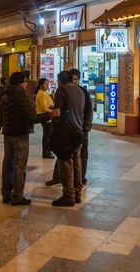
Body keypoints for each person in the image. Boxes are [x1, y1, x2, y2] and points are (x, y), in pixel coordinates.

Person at [0, 72, 59, 206]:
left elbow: (1, 116)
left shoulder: (5, 96)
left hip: (8, 134)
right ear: (20, 83)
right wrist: (50, 115)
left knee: (7, 164)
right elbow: (33, 118)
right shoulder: (22, 98)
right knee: (19, 166)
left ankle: (6, 194)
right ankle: (17, 196)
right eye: (25, 81)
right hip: (20, 135)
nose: (26, 84)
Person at [46, 69, 93, 188]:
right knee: (68, 157)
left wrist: (86, 127)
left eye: (76, 79)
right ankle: (63, 180)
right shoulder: (76, 91)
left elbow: (88, 110)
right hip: (72, 130)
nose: (74, 81)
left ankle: (76, 185)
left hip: (76, 130)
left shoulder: (78, 91)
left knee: (75, 157)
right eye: (73, 79)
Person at [50, 70, 86, 207]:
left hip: (66, 133)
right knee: (77, 163)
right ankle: (77, 193)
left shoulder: (61, 91)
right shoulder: (81, 91)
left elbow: (58, 112)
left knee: (65, 164)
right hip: (79, 132)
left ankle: (68, 195)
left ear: (60, 81)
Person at [35, 78, 54, 159]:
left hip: (48, 116)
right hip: (46, 117)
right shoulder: (41, 94)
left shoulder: (44, 93)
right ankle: (46, 152)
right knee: (47, 135)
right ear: (40, 85)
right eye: (45, 84)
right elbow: (44, 107)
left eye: (48, 84)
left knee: (48, 135)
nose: (47, 85)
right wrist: (52, 110)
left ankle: (48, 151)